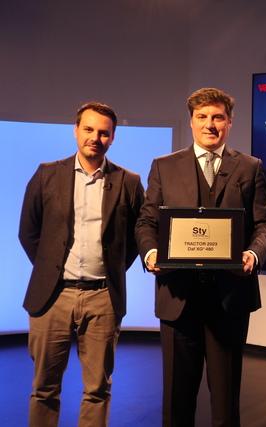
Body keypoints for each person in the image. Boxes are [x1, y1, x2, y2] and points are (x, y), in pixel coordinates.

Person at [135, 87, 266, 426]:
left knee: (226, 402)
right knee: (176, 402)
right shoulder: (164, 166)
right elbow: (146, 221)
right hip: (177, 297)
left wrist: (253, 255)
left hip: (230, 298)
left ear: (229, 122)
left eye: (218, 117)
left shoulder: (250, 167)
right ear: (191, 121)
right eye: (202, 117)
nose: (210, 124)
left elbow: (264, 226)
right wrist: (151, 253)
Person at [18, 102, 145, 427]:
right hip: (52, 297)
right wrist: (50, 270)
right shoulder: (47, 174)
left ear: (112, 137)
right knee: (44, 388)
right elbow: (28, 232)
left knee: (97, 390)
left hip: (103, 297)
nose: (95, 138)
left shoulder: (129, 181)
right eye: (88, 129)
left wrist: (113, 269)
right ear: (76, 131)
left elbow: (139, 236)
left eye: (103, 133)